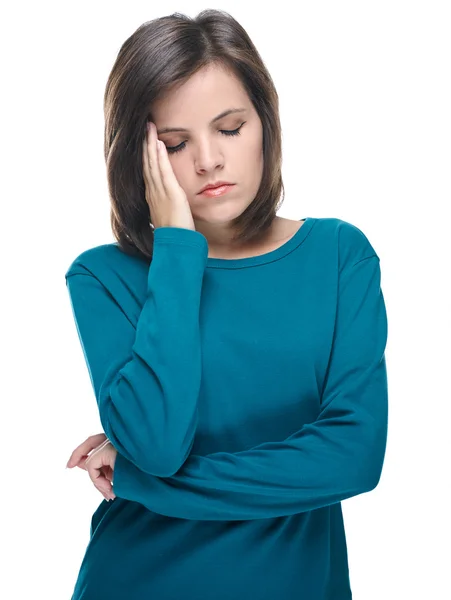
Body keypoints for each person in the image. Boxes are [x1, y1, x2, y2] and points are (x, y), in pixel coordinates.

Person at [64, 9, 389, 600]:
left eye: (231, 128)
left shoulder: (340, 256)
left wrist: (140, 479)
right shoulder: (102, 276)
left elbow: (352, 458)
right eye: (174, 143)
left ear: (266, 123)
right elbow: (159, 442)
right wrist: (178, 253)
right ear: (137, 157)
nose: (208, 160)